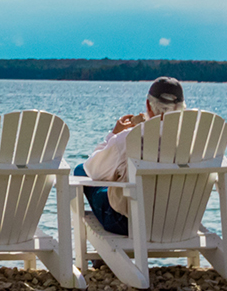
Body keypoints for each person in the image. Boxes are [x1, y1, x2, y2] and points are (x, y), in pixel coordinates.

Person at [72, 76, 186, 236]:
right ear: (182, 107)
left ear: (148, 105)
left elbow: (93, 170)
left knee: (80, 171)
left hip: (128, 222)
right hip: (180, 221)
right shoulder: (196, 140)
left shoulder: (128, 138)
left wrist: (113, 135)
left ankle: (88, 247)